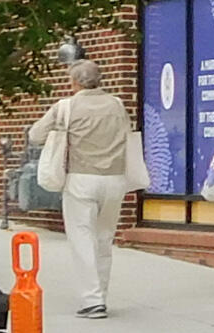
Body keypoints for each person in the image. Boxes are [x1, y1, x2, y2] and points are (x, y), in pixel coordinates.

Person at [27, 59, 135, 319]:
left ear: (73, 82)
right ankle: (102, 294)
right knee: (104, 238)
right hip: (115, 178)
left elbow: (35, 135)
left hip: (81, 178)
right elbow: (127, 132)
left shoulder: (66, 106)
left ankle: (93, 299)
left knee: (81, 238)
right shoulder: (117, 105)